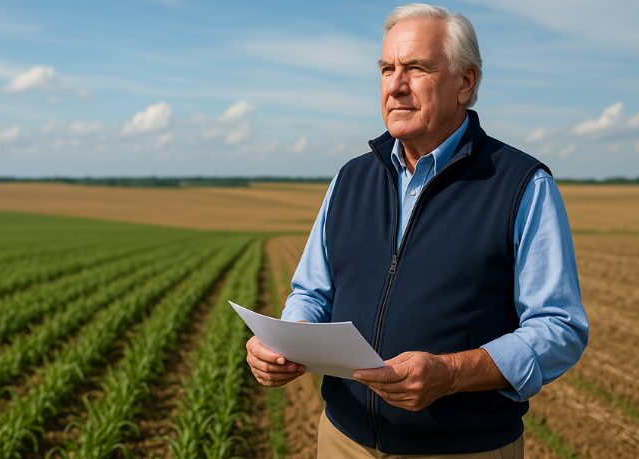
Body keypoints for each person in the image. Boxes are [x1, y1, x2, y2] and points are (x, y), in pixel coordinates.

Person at [246, 3, 589, 458]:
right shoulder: (350, 179)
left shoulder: (522, 185)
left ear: (465, 82)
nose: (395, 85)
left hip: (463, 449)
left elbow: (559, 327)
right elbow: (312, 290)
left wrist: (451, 373)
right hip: (342, 439)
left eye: (416, 68)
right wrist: (287, 339)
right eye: (387, 68)